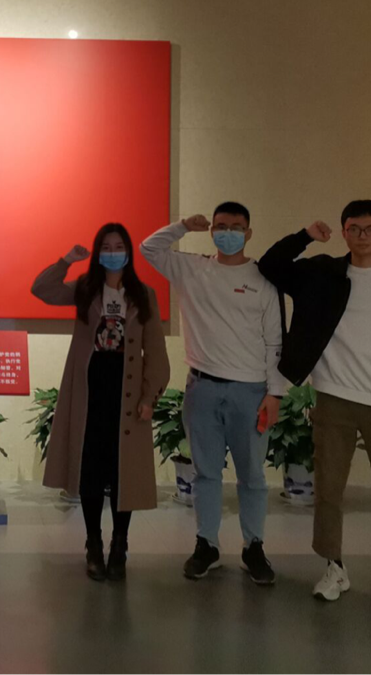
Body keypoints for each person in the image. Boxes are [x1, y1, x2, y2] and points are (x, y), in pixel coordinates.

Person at [258, 200, 371, 610]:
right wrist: (304, 236)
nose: (362, 236)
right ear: (344, 231)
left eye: (370, 228)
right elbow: (270, 266)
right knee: (329, 491)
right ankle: (334, 567)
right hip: (333, 397)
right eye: (354, 228)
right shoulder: (322, 273)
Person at [141, 203, 285, 585]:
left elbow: (275, 343)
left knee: (252, 476)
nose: (228, 233)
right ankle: (207, 544)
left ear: (248, 233)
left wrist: (276, 394)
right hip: (202, 388)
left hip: (251, 391)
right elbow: (148, 249)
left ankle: (254, 547)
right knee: (205, 473)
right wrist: (182, 226)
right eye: (221, 226)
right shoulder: (192, 269)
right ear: (211, 231)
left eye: (236, 227)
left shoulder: (263, 279)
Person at [32, 223, 170, 582]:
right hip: (89, 389)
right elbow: (42, 289)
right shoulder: (86, 288)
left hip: (127, 389)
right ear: (97, 253)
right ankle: (93, 542)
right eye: (105, 247)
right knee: (90, 468)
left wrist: (150, 396)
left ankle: (119, 544)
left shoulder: (144, 294)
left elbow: (155, 349)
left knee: (123, 470)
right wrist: (66, 260)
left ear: (128, 251)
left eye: (118, 246)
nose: (112, 253)